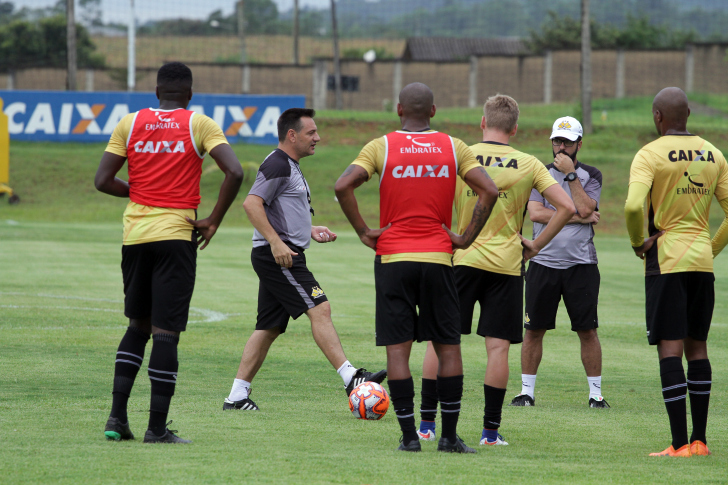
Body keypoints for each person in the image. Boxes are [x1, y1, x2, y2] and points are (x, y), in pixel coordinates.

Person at [335, 82, 499, 454]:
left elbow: (343, 185)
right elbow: (488, 191)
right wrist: (465, 237)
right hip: (439, 258)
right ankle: (449, 437)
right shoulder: (454, 147)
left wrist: (364, 231)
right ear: (434, 111)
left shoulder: (381, 146)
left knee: (398, 351)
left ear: (398, 110)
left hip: (393, 258)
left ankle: (410, 438)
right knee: (448, 348)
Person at [95, 62, 244, 443]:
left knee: (136, 327)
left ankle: (115, 419)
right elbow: (235, 172)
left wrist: (140, 191)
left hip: (135, 236)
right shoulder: (200, 124)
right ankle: (157, 429)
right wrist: (212, 219)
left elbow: (102, 181)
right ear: (189, 94)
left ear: (156, 92)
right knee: (165, 334)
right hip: (176, 236)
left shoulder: (129, 123)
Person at [417, 94, 575, 446]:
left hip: (461, 259)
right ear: (515, 128)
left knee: (440, 342)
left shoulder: (460, 155)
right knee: (498, 349)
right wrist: (535, 246)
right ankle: (490, 432)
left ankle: (426, 426)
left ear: (482, 123)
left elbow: (429, 200)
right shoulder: (529, 163)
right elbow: (566, 207)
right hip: (506, 266)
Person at [223, 108, 386, 411]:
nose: (318, 138)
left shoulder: (290, 165)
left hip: (283, 251)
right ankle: (351, 378)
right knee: (320, 307)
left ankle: (236, 397)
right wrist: (276, 243)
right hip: (280, 257)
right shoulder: (277, 164)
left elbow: (277, 209)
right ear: (292, 135)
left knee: (269, 327)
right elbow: (252, 204)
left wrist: (308, 229)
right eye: (311, 133)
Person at [625, 87, 728, 457]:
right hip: (701, 262)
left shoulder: (649, 154)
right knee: (697, 347)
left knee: (670, 349)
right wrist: (710, 248)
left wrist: (640, 242)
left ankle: (678, 443)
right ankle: (700, 442)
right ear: (688, 114)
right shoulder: (713, 153)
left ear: (657, 117)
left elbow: (635, 205)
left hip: (666, 261)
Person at [509, 116, 608, 409]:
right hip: (543, 262)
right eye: (557, 141)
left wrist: (570, 176)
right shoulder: (537, 172)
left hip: (582, 265)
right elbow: (537, 213)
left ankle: (596, 395)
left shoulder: (591, 174)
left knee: (587, 331)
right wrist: (578, 217)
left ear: (579, 144)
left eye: (567, 141)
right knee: (533, 330)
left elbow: (588, 205)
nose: (561, 147)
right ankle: (526, 392)